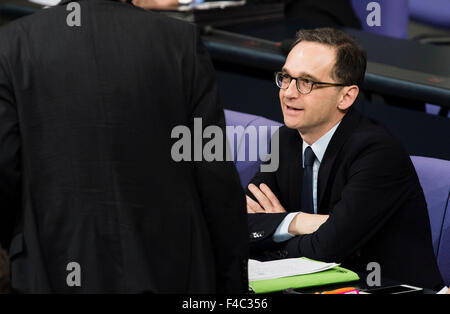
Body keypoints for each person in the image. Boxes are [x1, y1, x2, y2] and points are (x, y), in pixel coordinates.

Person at [0, 0, 248, 293]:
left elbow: (4, 167)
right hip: (170, 269)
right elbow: (214, 174)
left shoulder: (12, 43)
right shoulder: (180, 41)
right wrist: (233, 284)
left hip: (51, 265)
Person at [246, 27, 445, 291]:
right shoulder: (286, 139)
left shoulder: (376, 152)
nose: (289, 93)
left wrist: (277, 230)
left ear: (346, 96)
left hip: (389, 287)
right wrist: (299, 222)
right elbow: (241, 224)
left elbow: (326, 250)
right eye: (286, 77)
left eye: (307, 82)